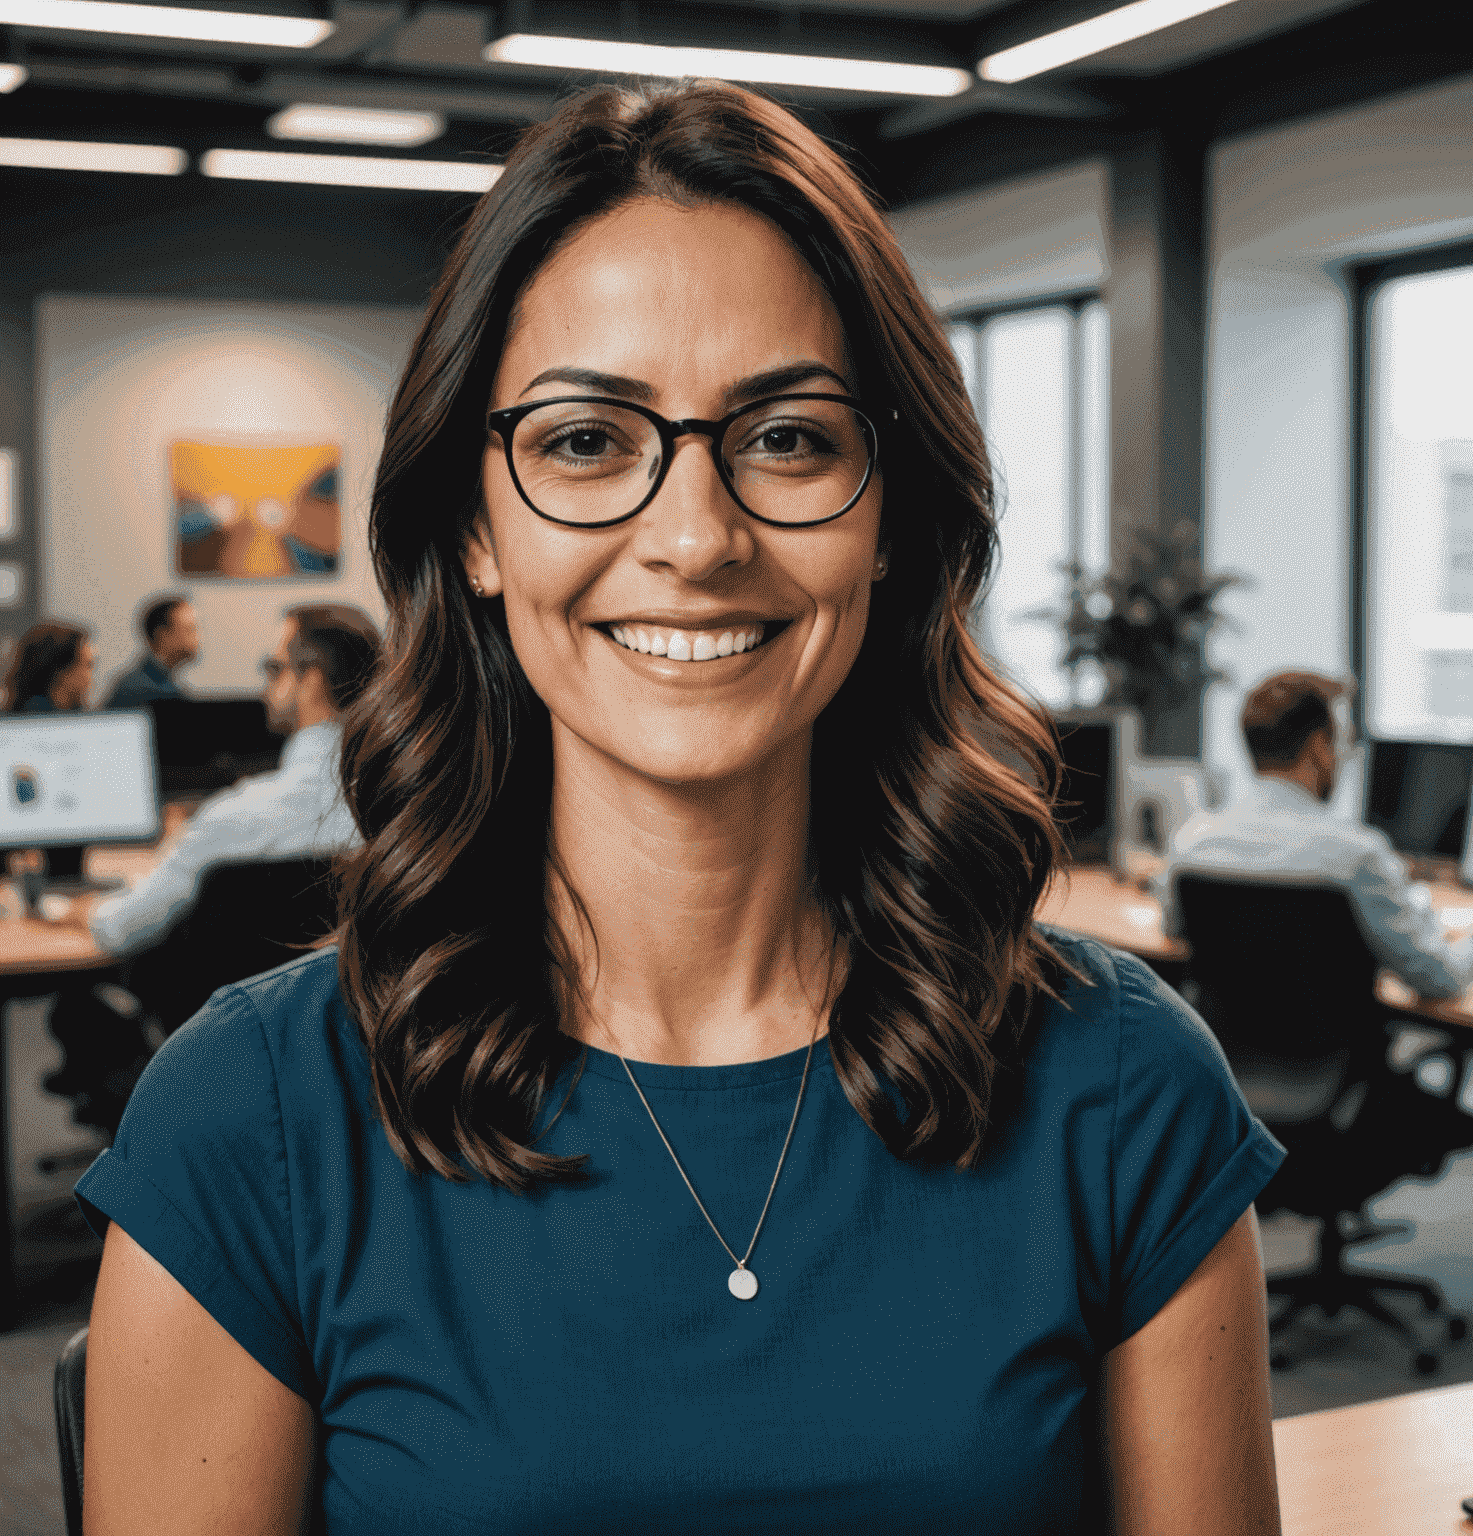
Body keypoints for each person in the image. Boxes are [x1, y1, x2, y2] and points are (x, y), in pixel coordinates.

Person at [75, 83, 1285, 1534]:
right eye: (586, 441)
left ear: (890, 516)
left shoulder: (1122, 1089)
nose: (697, 537)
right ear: (472, 522)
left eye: (788, 440)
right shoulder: (252, 1120)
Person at [57, 603, 380, 958]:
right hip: (351, 1010)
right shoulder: (398, 813)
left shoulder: (231, 821)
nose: (265, 685)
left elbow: (121, 928)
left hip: (231, 1013)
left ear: (312, 682)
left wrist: (83, 909)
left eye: (274, 669)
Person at [1160, 670, 1473, 998]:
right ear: (1319, 747)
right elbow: (1440, 980)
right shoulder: (1357, 856)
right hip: (1333, 1048)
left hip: (1222, 1045)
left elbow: (1173, 930)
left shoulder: (1192, 841)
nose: (1343, 757)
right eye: (1340, 742)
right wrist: (1471, 944)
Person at [104, 595, 200, 707]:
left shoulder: (163, 685)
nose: (198, 638)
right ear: (163, 636)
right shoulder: (140, 690)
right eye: (190, 629)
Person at [3, 621, 94, 712]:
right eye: (88, 665)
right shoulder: (36, 718)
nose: (91, 676)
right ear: (61, 672)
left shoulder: (70, 713)